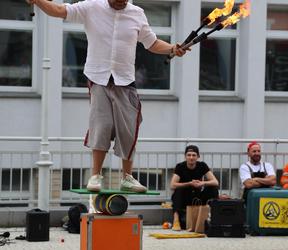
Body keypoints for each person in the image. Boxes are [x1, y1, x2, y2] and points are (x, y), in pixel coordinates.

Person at [27, 0, 187, 192]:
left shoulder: (137, 13)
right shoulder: (91, 7)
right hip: (98, 77)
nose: (121, 2)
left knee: (128, 128)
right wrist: (38, 0)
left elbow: (151, 42)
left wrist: (172, 48)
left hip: (125, 79)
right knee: (102, 124)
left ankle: (127, 177)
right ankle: (95, 175)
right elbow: (60, 10)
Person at [170, 145, 219, 231]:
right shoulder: (180, 166)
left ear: (198, 156)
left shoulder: (202, 165)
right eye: (189, 155)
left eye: (194, 155)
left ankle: (214, 217)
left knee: (213, 188)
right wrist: (189, 183)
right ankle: (176, 220)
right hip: (185, 197)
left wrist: (202, 183)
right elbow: (172, 185)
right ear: (185, 156)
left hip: (198, 196)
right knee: (178, 190)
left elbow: (215, 182)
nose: (191, 157)